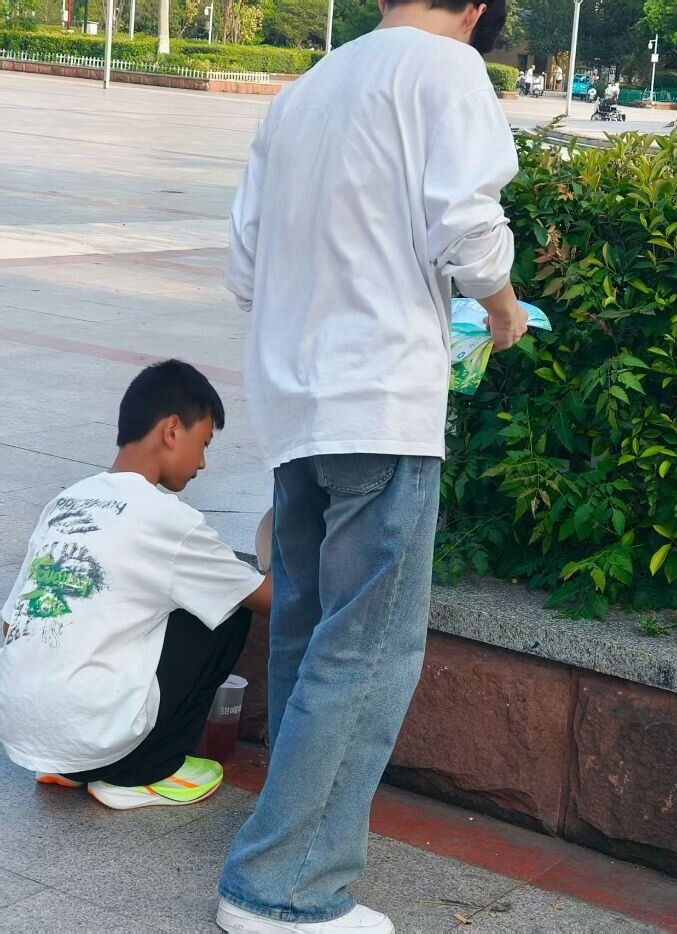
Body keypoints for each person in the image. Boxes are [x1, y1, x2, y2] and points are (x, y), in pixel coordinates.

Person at [220, 0, 527, 931]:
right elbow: (466, 230)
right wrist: (503, 310)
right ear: (476, 11)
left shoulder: (305, 89)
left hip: (294, 407)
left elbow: (245, 267)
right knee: (367, 651)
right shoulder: (447, 68)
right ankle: (283, 890)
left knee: (307, 635)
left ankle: (278, 858)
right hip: (380, 404)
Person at [0, 360, 271, 810]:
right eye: (203, 443)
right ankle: (145, 771)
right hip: (94, 739)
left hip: (22, 733)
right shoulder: (165, 517)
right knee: (228, 607)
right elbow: (270, 599)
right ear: (172, 429)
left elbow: (11, 624)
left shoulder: (66, 500)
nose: (203, 462)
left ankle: (71, 765)